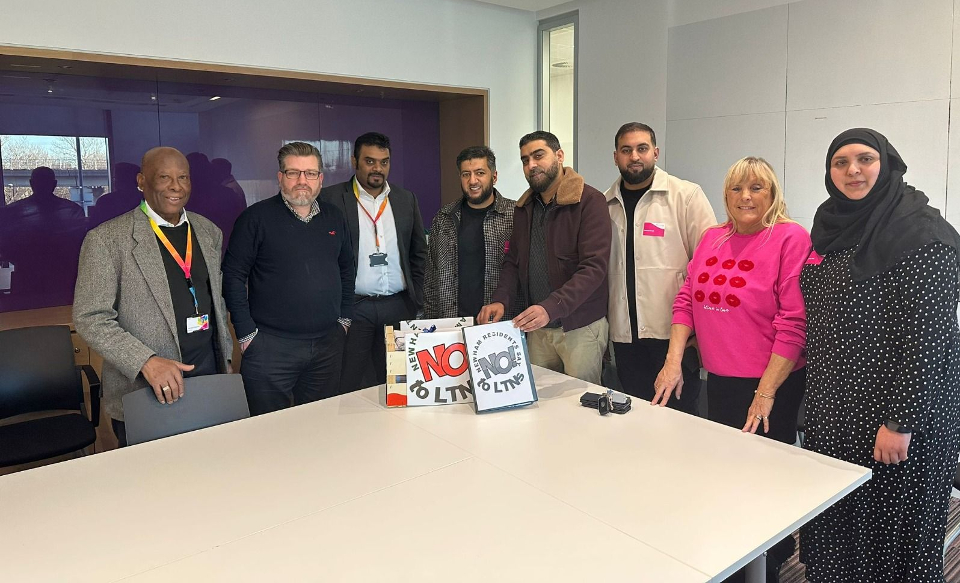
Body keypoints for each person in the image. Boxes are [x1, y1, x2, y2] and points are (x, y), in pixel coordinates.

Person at [799, 128, 960, 583]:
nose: (852, 170)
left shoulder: (923, 233)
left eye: (865, 159)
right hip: (839, 410)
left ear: (886, 163)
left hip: (897, 418)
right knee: (838, 523)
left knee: (895, 536)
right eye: (840, 162)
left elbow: (928, 341)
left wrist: (899, 423)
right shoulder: (831, 225)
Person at [653, 157, 809, 583]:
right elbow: (686, 300)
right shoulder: (712, 238)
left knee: (765, 485)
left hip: (770, 385)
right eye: (737, 188)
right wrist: (673, 363)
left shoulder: (790, 238)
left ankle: (771, 565)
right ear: (725, 195)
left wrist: (766, 393)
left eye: (757, 188)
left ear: (773, 193)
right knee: (724, 478)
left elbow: (794, 323)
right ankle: (734, 559)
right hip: (719, 380)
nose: (746, 197)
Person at [73, 147, 233, 447]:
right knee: (152, 484)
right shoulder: (106, 240)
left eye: (182, 177)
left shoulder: (208, 231)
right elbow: (90, 317)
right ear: (141, 181)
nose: (176, 186)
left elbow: (216, 300)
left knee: (212, 468)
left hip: (209, 378)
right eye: (164, 177)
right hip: (146, 389)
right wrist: (145, 361)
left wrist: (224, 356)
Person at [222, 142, 354, 415]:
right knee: (267, 433)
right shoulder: (255, 219)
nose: (302, 181)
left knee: (320, 424)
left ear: (321, 179)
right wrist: (246, 334)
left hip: (327, 346)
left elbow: (346, 269)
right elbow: (233, 276)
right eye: (293, 173)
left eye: (310, 173)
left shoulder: (334, 218)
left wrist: (344, 319)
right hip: (270, 348)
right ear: (280, 177)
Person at [478, 131, 610, 384]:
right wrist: (500, 300)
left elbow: (594, 268)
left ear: (559, 156)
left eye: (539, 156)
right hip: (537, 328)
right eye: (525, 160)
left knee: (581, 408)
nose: (531, 165)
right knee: (538, 406)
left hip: (580, 327)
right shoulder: (524, 208)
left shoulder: (590, 201)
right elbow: (513, 262)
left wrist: (550, 308)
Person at [605, 122, 716, 413]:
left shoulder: (686, 196)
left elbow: (708, 268)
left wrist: (697, 332)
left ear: (655, 152)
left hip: (674, 335)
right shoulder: (604, 204)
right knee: (636, 415)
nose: (634, 157)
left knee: (680, 417)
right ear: (615, 156)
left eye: (642, 149)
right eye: (626, 150)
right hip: (625, 336)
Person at [320, 132, 427, 394]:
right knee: (350, 382)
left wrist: (418, 299)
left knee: (399, 381)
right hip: (355, 308)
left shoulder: (405, 199)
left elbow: (418, 254)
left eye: (384, 161)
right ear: (354, 161)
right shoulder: (330, 199)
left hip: (399, 306)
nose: (377, 168)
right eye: (370, 161)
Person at [424, 146, 515, 319]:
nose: (472, 181)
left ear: (494, 177)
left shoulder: (516, 215)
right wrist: (431, 321)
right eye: (466, 174)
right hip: (452, 322)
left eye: (480, 173)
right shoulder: (444, 218)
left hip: (500, 324)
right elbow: (431, 277)